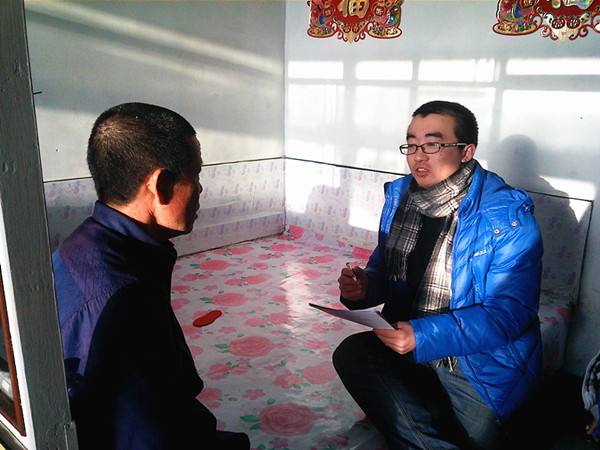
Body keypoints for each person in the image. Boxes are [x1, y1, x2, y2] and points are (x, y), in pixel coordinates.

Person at [333, 100, 543, 449]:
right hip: (408, 340)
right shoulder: (401, 198)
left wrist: (422, 335)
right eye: (412, 145)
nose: (418, 156)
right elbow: (385, 270)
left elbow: (511, 314)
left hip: (473, 363)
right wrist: (364, 287)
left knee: (463, 437)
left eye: (432, 144)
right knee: (351, 353)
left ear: (466, 151)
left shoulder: (506, 216)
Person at [52, 103, 250, 450]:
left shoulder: (82, 245)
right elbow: (148, 435)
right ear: (161, 185)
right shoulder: (122, 298)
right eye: (196, 176)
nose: (200, 189)